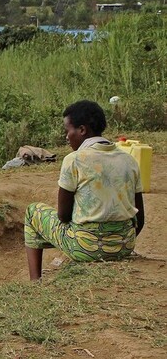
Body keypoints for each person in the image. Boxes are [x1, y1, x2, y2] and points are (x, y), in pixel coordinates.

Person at [24, 100, 145, 280]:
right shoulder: (129, 160)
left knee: (32, 212)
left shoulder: (74, 160)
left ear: (82, 130)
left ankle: (35, 283)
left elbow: (63, 216)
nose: (67, 137)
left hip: (85, 248)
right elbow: (140, 218)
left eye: (68, 131)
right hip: (124, 246)